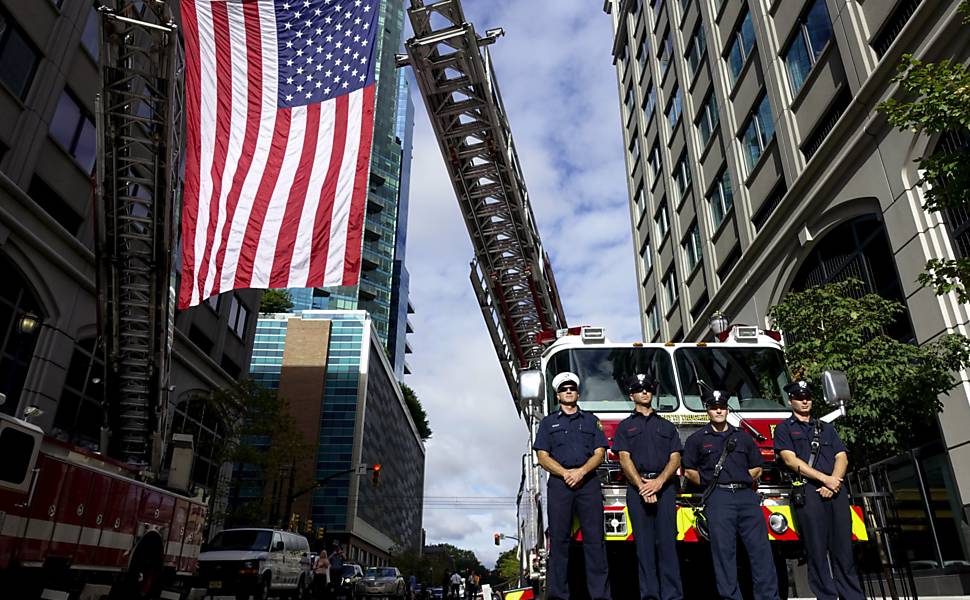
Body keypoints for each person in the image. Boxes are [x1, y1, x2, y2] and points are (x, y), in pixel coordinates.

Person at [683, 389, 779, 600]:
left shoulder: (743, 437)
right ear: (707, 410)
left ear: (727, 409)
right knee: (724, 553)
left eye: (722, 407)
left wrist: (743, 477)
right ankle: (730, 597)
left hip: (746, 496)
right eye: (714, 407)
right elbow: (689, 471)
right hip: (718, 498)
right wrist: (711, 484)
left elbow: (757, 467)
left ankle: (768, 597)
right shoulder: (696, 439)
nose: (718, 410)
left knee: (761, 551)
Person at [773, 380, 864, 600]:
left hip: (836, 491)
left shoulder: (826, 427)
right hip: (809, 493)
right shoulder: (784, 429)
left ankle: (853, 596)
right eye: (799, 398)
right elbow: (789, 459)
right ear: (790, 400)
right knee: (816, 550)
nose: (804, 401)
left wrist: (835, 481)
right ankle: (826, 596)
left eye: (807, 398)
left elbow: (841, 456)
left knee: (843, 549)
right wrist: (825, 480)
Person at [532, 371, 611, 600]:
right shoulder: (548, 423)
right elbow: (543, 456)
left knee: (595, 541)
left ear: (577, 393)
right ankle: (558, 596)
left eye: (572, 388)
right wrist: (566, 473)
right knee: (559, 542)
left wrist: (582, 472)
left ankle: (600, 596)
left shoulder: (590, 420)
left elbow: (600, 452)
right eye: (564, 389)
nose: (569, 391)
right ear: (558, 395)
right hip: (559, 485)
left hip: (588, 484)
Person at [612, 371, 683, 600]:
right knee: (643, 547)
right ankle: (650, 596)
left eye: (648, 389)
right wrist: (643, 486)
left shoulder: (667, 426)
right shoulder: (624, 427)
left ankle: (672, 595)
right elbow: (624, 458)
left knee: (668, 545)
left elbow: (675, 457)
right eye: (639, 390)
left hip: (665, 489)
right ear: (631, 395)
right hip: (637, 489)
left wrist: (659, 482)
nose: (645, 392)